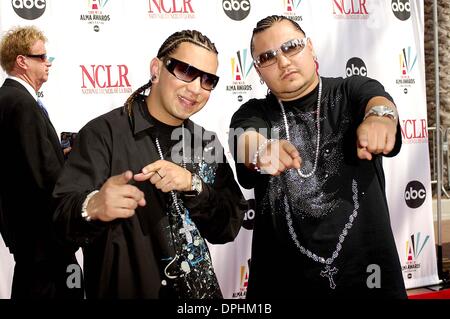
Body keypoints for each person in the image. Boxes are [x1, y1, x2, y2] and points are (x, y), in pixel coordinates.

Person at [53, 29, 247, 299]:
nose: (196, 88)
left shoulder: (206, 142)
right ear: (156, 70)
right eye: (186, 71)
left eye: (208, 80)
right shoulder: (104, 133)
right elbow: (59, 221)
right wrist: (93, 206)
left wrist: (194, 186)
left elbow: (228, 226)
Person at [229, 15, 406, 298]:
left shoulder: (351, 92)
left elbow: (378, 102)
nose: (283, 62)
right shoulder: (253, 113)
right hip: (285, 284)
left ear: (311, 48)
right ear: (259, 71)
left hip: (368, 279)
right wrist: (261, 150)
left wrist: (380, 118)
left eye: (292, 47)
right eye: (267, 57)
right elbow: (245, 140)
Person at [0, 26, 83, 299]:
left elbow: (25, 161)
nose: (48, 62)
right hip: (42, 236)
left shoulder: (11, 99)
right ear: (21, 61)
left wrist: (61, 155)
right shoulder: (21, 103)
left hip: (29, 235)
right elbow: (42, 174)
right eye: (42, 56)